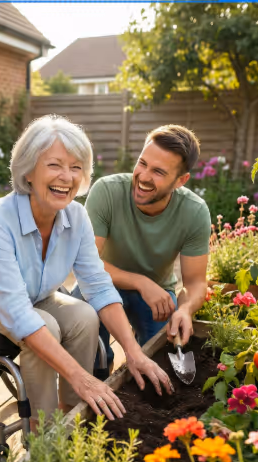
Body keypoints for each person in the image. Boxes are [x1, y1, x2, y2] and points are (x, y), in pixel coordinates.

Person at [0, 115, 172, 429]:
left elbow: (98, 286)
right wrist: (83, 377)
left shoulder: (76, 217)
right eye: (54, 165)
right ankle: (43, 431)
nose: (67, 177)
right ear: (28, 169)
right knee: (45, 326)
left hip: (36, 299)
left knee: (84, 315)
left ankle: (73, 412)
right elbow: (16, 312)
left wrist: (134, 352)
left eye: (76, 167)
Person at [80, 124, 211, 371]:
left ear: (180, 181)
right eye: (142, 163)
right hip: (100, 284)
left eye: (159, 172)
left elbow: (195, 282)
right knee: (86, 345)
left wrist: (185, 309)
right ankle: (92, 390)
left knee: (161, 358)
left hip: (156, 297)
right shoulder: (107, 192)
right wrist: (141, 282)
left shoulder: (194, 212)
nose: (144, 177)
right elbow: (87, 264)